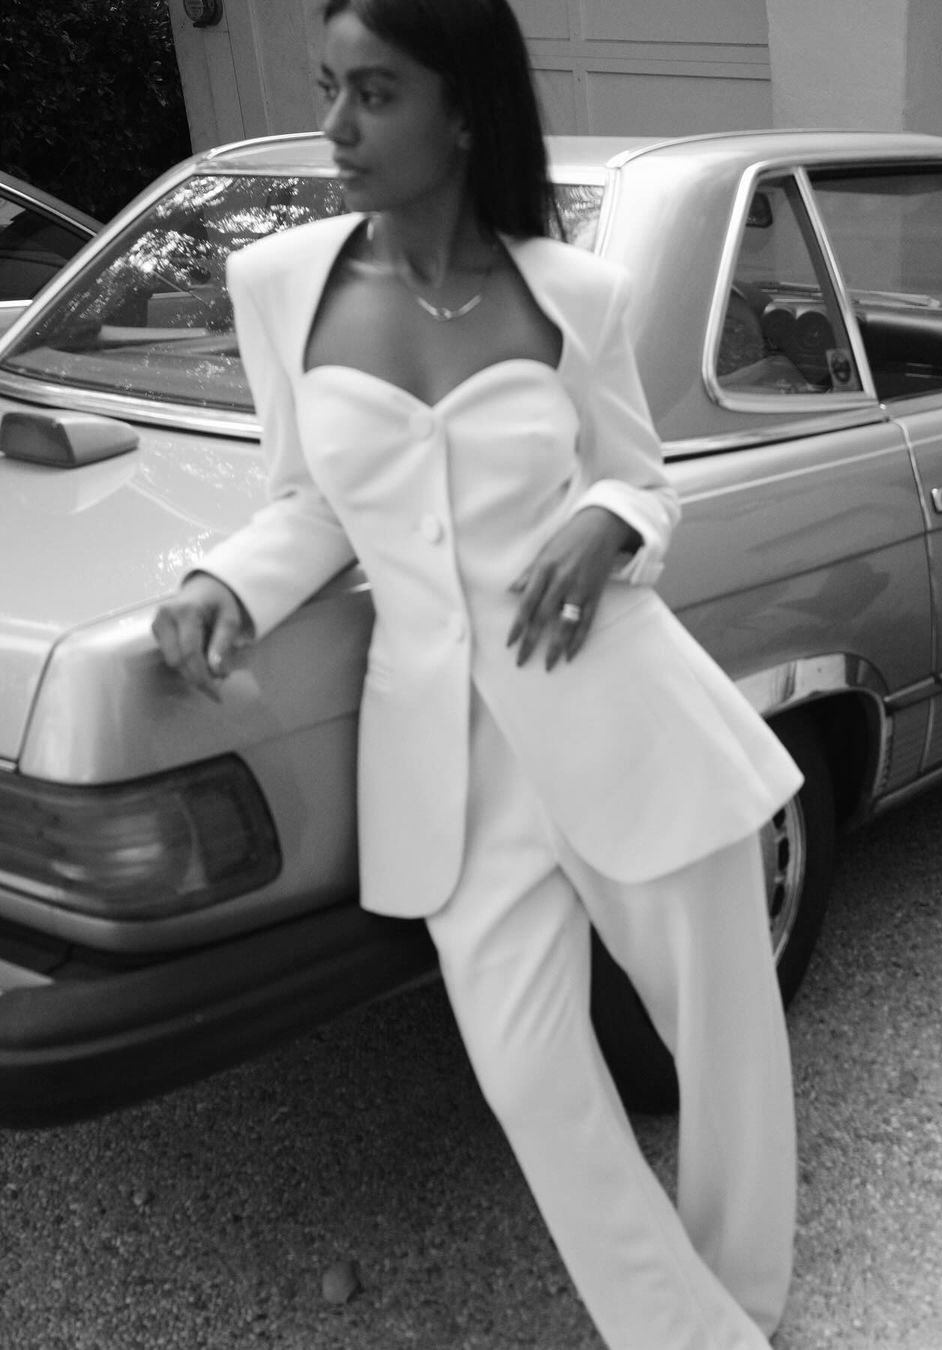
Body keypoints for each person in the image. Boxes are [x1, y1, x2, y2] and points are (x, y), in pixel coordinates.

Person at [152, 1, 804, 1345]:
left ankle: (745, 1300)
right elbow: (311, 501)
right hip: (443, 764)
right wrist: (225, 582)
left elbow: (642, 480)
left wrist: (607, 520)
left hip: (623, 710)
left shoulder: (574, 294)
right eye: (329, 87)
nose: (335, 127)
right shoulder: (281, 285)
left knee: (724, 1039)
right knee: (532, 1082)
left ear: (462, 111)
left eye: (375, 93)